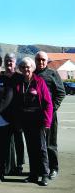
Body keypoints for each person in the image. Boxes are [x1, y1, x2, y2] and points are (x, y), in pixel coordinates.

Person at [14, 57, 53, 186]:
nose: (26, 69)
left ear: (32, 68)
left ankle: (45, 174)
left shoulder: (39, 82)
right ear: (20, 69)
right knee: (30, 148)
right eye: (24, 67)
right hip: (25, 121)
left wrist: (47, 122)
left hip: (38, 121)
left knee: (41, 148)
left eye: (28, 67)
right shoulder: (20, 83)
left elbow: (48, 103)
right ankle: (33, 174)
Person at [34, 51, 66, 180]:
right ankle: (39, 169)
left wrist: (52, 109)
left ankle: (54, 168)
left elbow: (61, 93)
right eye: (38, 60)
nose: (40, 62)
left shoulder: (52, 74)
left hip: (50, 115)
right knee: (38, 144)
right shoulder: (32, 74)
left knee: (50, 144)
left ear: (46, 61)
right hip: (34, 115)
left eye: (43, 60)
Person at [2, 53, 25, 175]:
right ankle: (8, 165)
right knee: (6, 141)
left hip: (18, 115)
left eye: (11, 61)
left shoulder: (20, 78)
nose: (9, 63)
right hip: (4, 115)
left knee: (18, 140)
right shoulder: (0, 77)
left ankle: (20, 164)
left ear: (15, 63)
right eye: (6, 61)